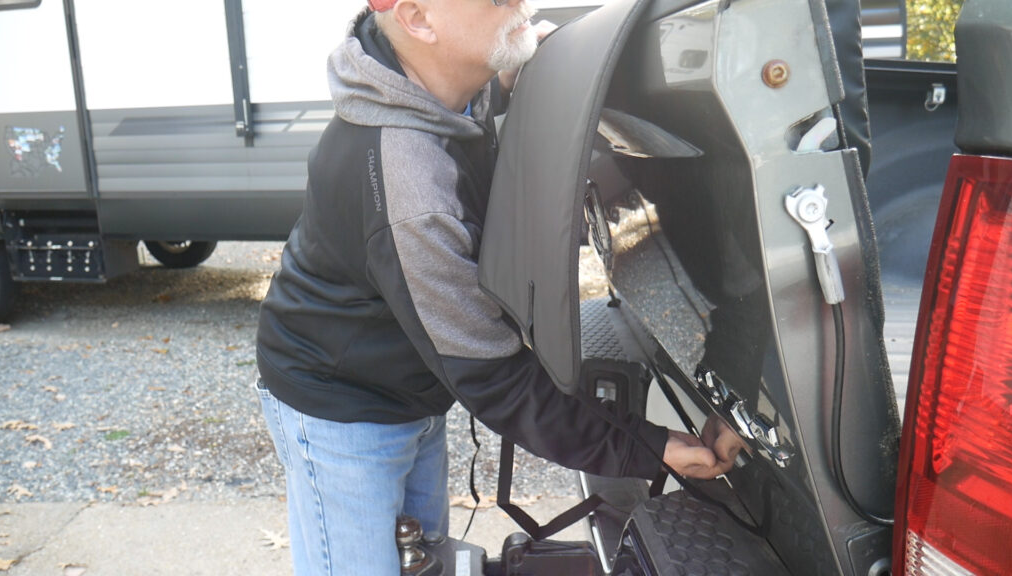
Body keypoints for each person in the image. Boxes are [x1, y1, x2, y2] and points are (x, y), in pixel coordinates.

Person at [255, 1, 739, 573]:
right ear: (417, 19)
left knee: (422, 563)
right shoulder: (409, 186)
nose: (521, 3)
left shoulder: (446, 82)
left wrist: (529, 67)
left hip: (408, 385)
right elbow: (496, 379)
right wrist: (649, 446)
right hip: (341, 407)